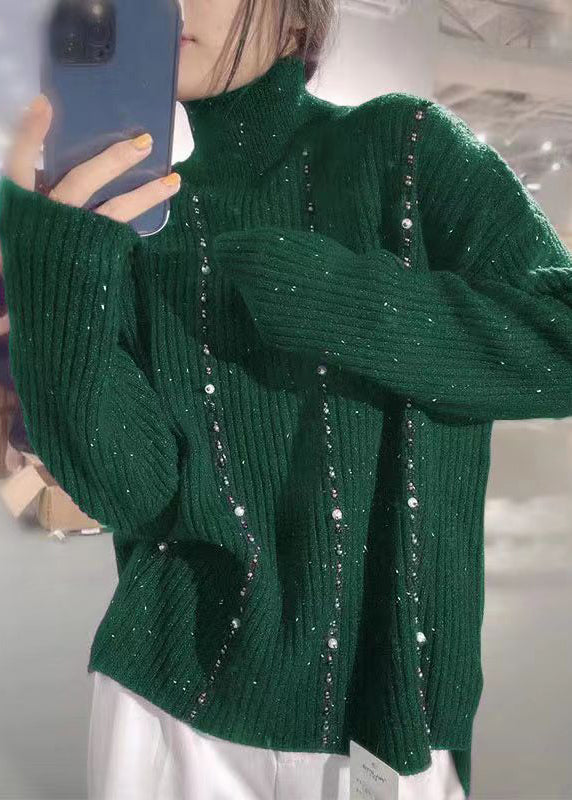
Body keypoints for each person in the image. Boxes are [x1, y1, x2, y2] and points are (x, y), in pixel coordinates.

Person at [1, 0, 572, 798]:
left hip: (384, 719)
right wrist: (51, 268)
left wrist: (333, 298)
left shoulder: (405, 146)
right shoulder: (134, 225)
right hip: (168, 711)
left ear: (300, 19)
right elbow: (129, 492)